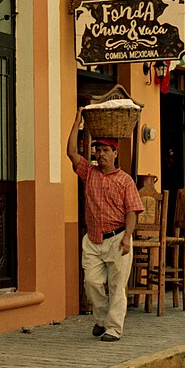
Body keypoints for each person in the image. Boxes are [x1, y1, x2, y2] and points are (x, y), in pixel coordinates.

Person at [67, 109, 144, 342]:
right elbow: (71, 153)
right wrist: (77, 121)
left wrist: (127, 237)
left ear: (114, 153)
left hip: (117, 238)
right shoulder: (89, 173)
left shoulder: (125, 180)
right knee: (91, 282)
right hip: (93, 239)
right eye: (97, 150)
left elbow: (132, 211)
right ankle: (101, 319)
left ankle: (113, 328)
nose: (100, 154)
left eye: (105, 150)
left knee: (117, 285)